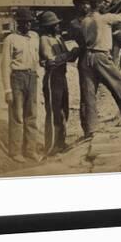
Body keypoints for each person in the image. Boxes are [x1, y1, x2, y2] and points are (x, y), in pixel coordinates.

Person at [79, 0, 121, 138]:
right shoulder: (105, 19)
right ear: (98, 4)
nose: (106, 4)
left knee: (89, 94)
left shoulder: (85, 20)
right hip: (101, 57)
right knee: (119, 85)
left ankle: (90, 129)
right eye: (104, 2)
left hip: (87, 58)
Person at [0, 7, 40, 163]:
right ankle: (15, 151)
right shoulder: (10, 39)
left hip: (32, 77)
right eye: (24, 22)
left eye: (29, 22)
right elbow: (4, 66)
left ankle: (30, 150)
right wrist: (7, 90)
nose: (27, 25)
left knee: (32, 114)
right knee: (17, 115)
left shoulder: (35, 36)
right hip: (17, 78)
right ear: (18, 23)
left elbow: (39, 57)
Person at [39, 11, 79, 156]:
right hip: (52, 78)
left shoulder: (59, 38)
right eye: (55, 25)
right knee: (53, 112)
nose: (58, 26)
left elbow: (68, 58)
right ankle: (50, 147)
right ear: (48, 27)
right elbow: (51, 60)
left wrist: (75, 52)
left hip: (61, 76)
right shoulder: (44, 39)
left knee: (64, 110)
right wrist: (70, 53)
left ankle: (61, 142)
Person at [68, 0, 91, 136]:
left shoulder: (94, 19)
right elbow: (84, 37)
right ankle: (87, 128)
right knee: (86, 93)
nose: (84, 6)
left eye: (87, 3)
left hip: (98, 56)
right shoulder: (75, 24)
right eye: (81, 4)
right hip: (85, 57)